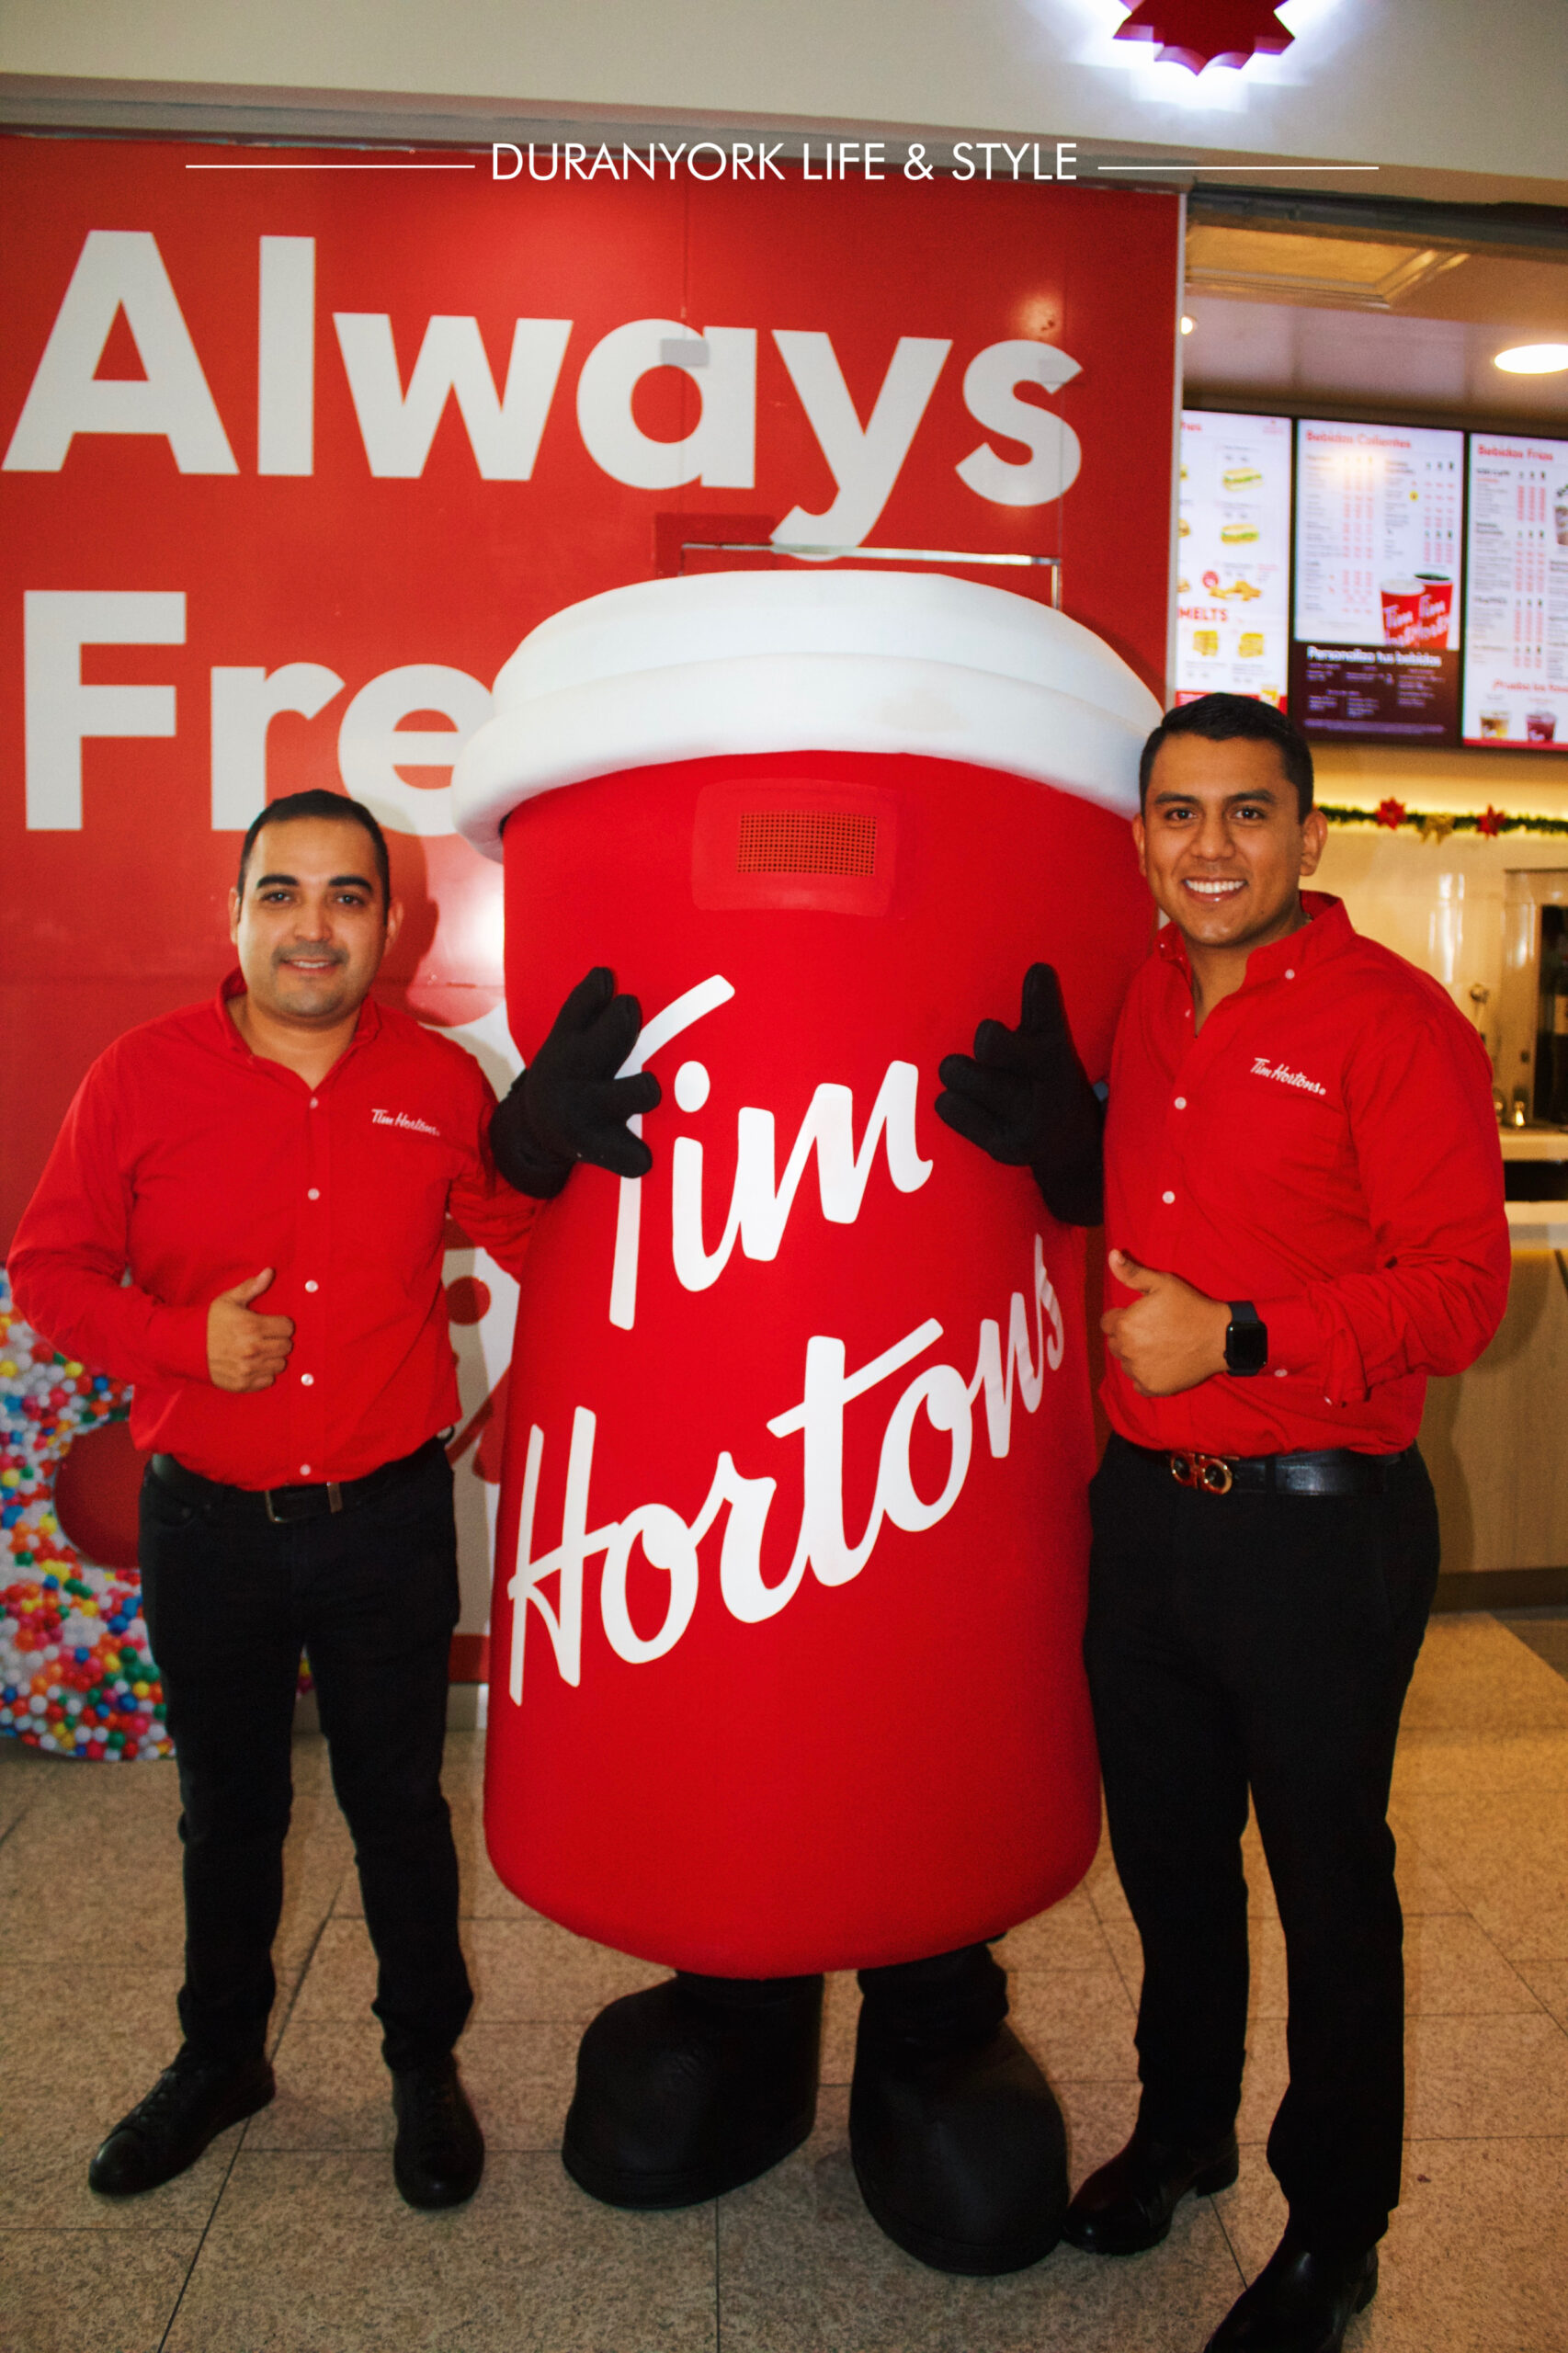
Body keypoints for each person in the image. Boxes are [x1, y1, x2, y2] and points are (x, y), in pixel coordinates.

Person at [937, 694, 1510, 2351]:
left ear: (1306, 836)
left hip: (1317, 1532)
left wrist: (1240, 1333)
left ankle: (1335, 2230)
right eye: (1177, 814)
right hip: (1148, 1522)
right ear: (1140, 839)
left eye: (1245, 812)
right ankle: (1181, 2131)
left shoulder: (1390, 1022)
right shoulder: (1138, 996)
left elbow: (1461, 1295)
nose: (1209, 846)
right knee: (1170, 1863)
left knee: (1329, 1891)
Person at [8, 789, 653, 2211]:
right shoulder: (137, 1076)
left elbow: (541, 1244)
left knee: (398, 1809)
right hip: (205, 1527)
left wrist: (569, 1342)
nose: (314, 926)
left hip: (384, 1527)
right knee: (227, 1812)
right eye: (283, 893)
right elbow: (45, 1271)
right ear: (235, 915)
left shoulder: (440, 1081)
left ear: (389, 923)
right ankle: (220, 2059)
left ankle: (422, 2065)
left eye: (346, 896)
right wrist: (184, 1342)